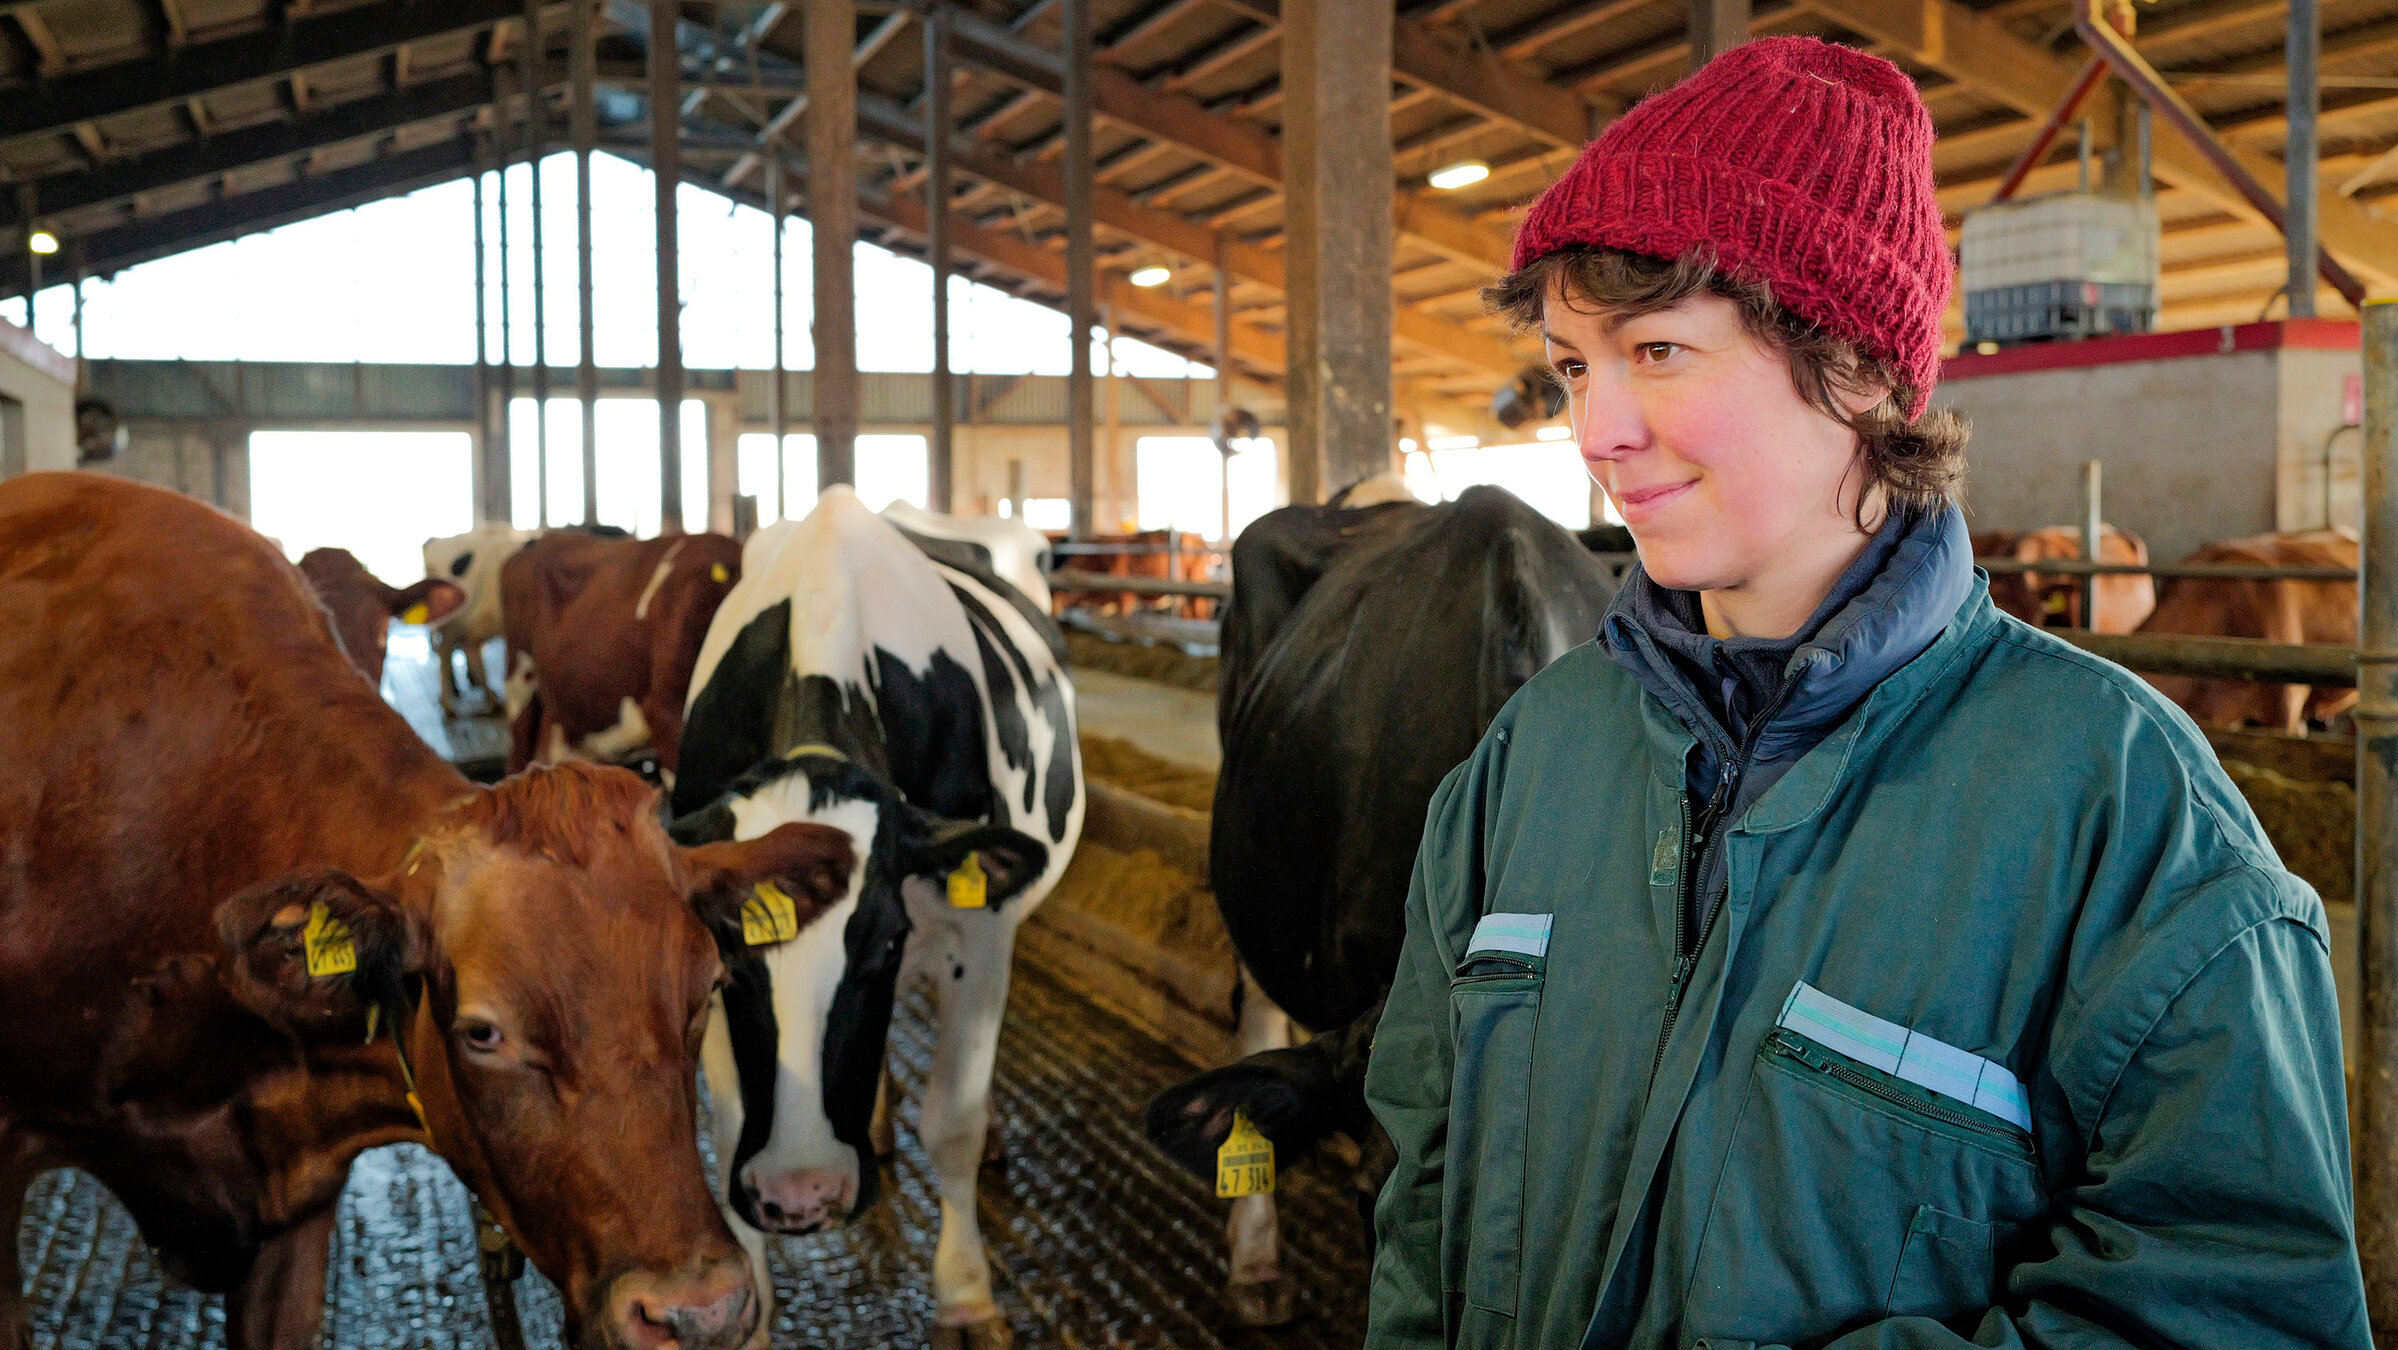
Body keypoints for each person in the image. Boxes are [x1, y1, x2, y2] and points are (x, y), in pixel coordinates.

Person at [1363, 35, 2368, 1350]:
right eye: (1572, 366)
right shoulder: (1529, 757)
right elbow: (1423, 1200)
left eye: (1656, 350)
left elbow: (2237, 1312)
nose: (1596, 430)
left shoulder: (2124, 817)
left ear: (1860, 366)